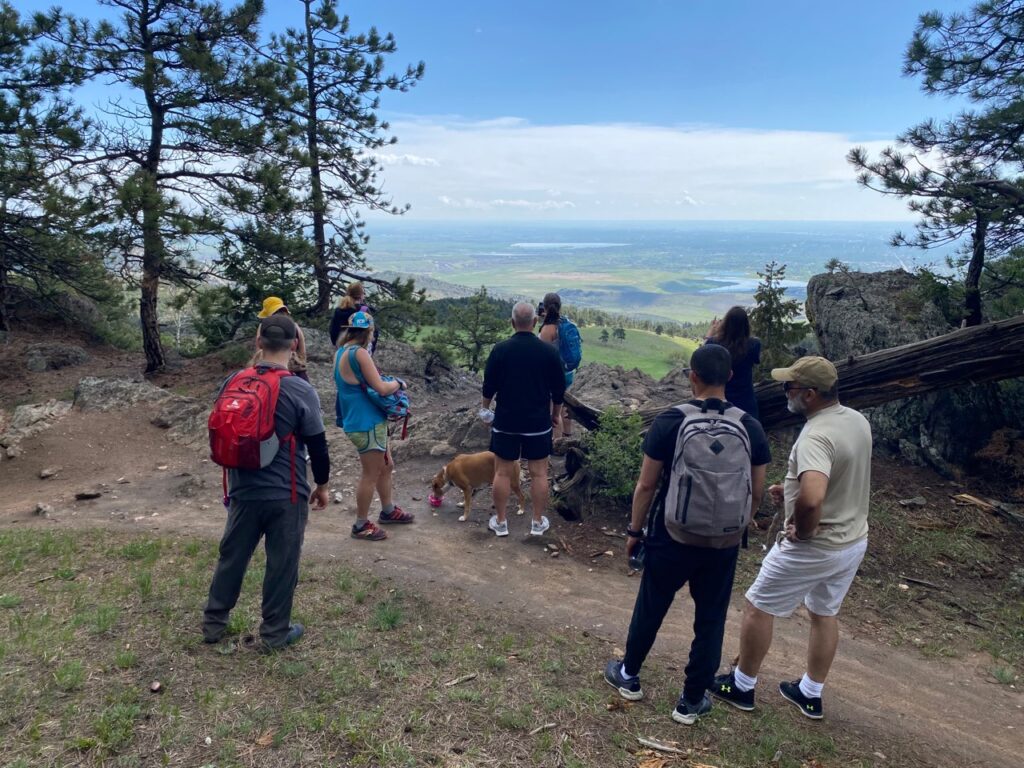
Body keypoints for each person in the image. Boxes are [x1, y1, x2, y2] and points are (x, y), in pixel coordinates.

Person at [603, 344, 770, 725]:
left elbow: (646, 486)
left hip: (671, 534)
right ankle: (691, 701)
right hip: (724, 542)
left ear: (691, 375)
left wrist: (634, 530)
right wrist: (736, 524)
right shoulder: (750, 426)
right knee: (710, 619)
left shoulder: (670, 420)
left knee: (652, 605)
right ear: (729, 377)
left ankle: (628, 676)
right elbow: (757, 491)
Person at [710, 356, 871, 721]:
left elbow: (814, 497)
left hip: (816, 545)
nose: (786, 392)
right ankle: (810, 693)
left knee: (757, 605)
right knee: (824, 613)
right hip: (852, 541)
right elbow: (837, 478)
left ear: (810, 394)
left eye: (791, 387)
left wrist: (805, 525)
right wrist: (792, 492)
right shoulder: (856, 421)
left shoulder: (816, 435)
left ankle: (742, 684)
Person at [203, 314, 330, 652]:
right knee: (282, 561)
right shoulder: (299, 388)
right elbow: (318, 444)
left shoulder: (233, 380)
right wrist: (322, 484)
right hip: (285, 492)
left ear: (258, 343)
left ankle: (214, 622)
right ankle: (275, 632)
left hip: (242, 488)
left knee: (233, 555)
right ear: (294, 346)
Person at [480, 301, 566, 537]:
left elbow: (489, 386)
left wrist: (485, 410)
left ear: (512, 322)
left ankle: (500, 521)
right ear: (535, 322)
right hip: (538, 422)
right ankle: (537, 522)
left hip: (506, 421)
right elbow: (559, 389)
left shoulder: (500, 349)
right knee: (539, 473)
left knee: (502, 473)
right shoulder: (549, 352)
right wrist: (556, 414)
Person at [335, 311, 414, 541]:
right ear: (369, 332)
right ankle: (361, 524)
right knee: (371, 473)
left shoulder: (341, 352)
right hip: (367, 422)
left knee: (386, 466)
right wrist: (399, 383)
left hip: (359, 420)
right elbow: (380, 388)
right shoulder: (359, 354)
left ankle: (388, 510)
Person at [704, 306, 761, 419]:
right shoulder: (754, 344)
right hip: (745, 402)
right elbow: (756, 360)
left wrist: (711, 332)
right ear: (746, 325)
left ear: (725, 323)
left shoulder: (714, 343)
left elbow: (703, 354)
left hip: (720, 400)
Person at [537, 292, 576, 438]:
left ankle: (557, 444)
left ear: (545, 307)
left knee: (554, 412)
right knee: (566, 407)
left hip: (553, 375)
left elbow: (542, 355)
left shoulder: (548, 329)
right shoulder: (566, 323)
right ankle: (567, 435)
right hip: (568, 372)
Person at [253, 297, 309, 382]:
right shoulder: (295, 326)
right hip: (295, 371)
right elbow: (302, 353)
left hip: (269, 372)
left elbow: (259, 352)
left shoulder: (263, 326)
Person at [330, 281, 379, 352]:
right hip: (358, 350)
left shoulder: (338, 310)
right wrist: (370, 350)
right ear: (361, 295)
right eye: (364, 293)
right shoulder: (363, 310)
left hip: (341, 349)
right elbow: (373, 331)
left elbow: (333, 331)